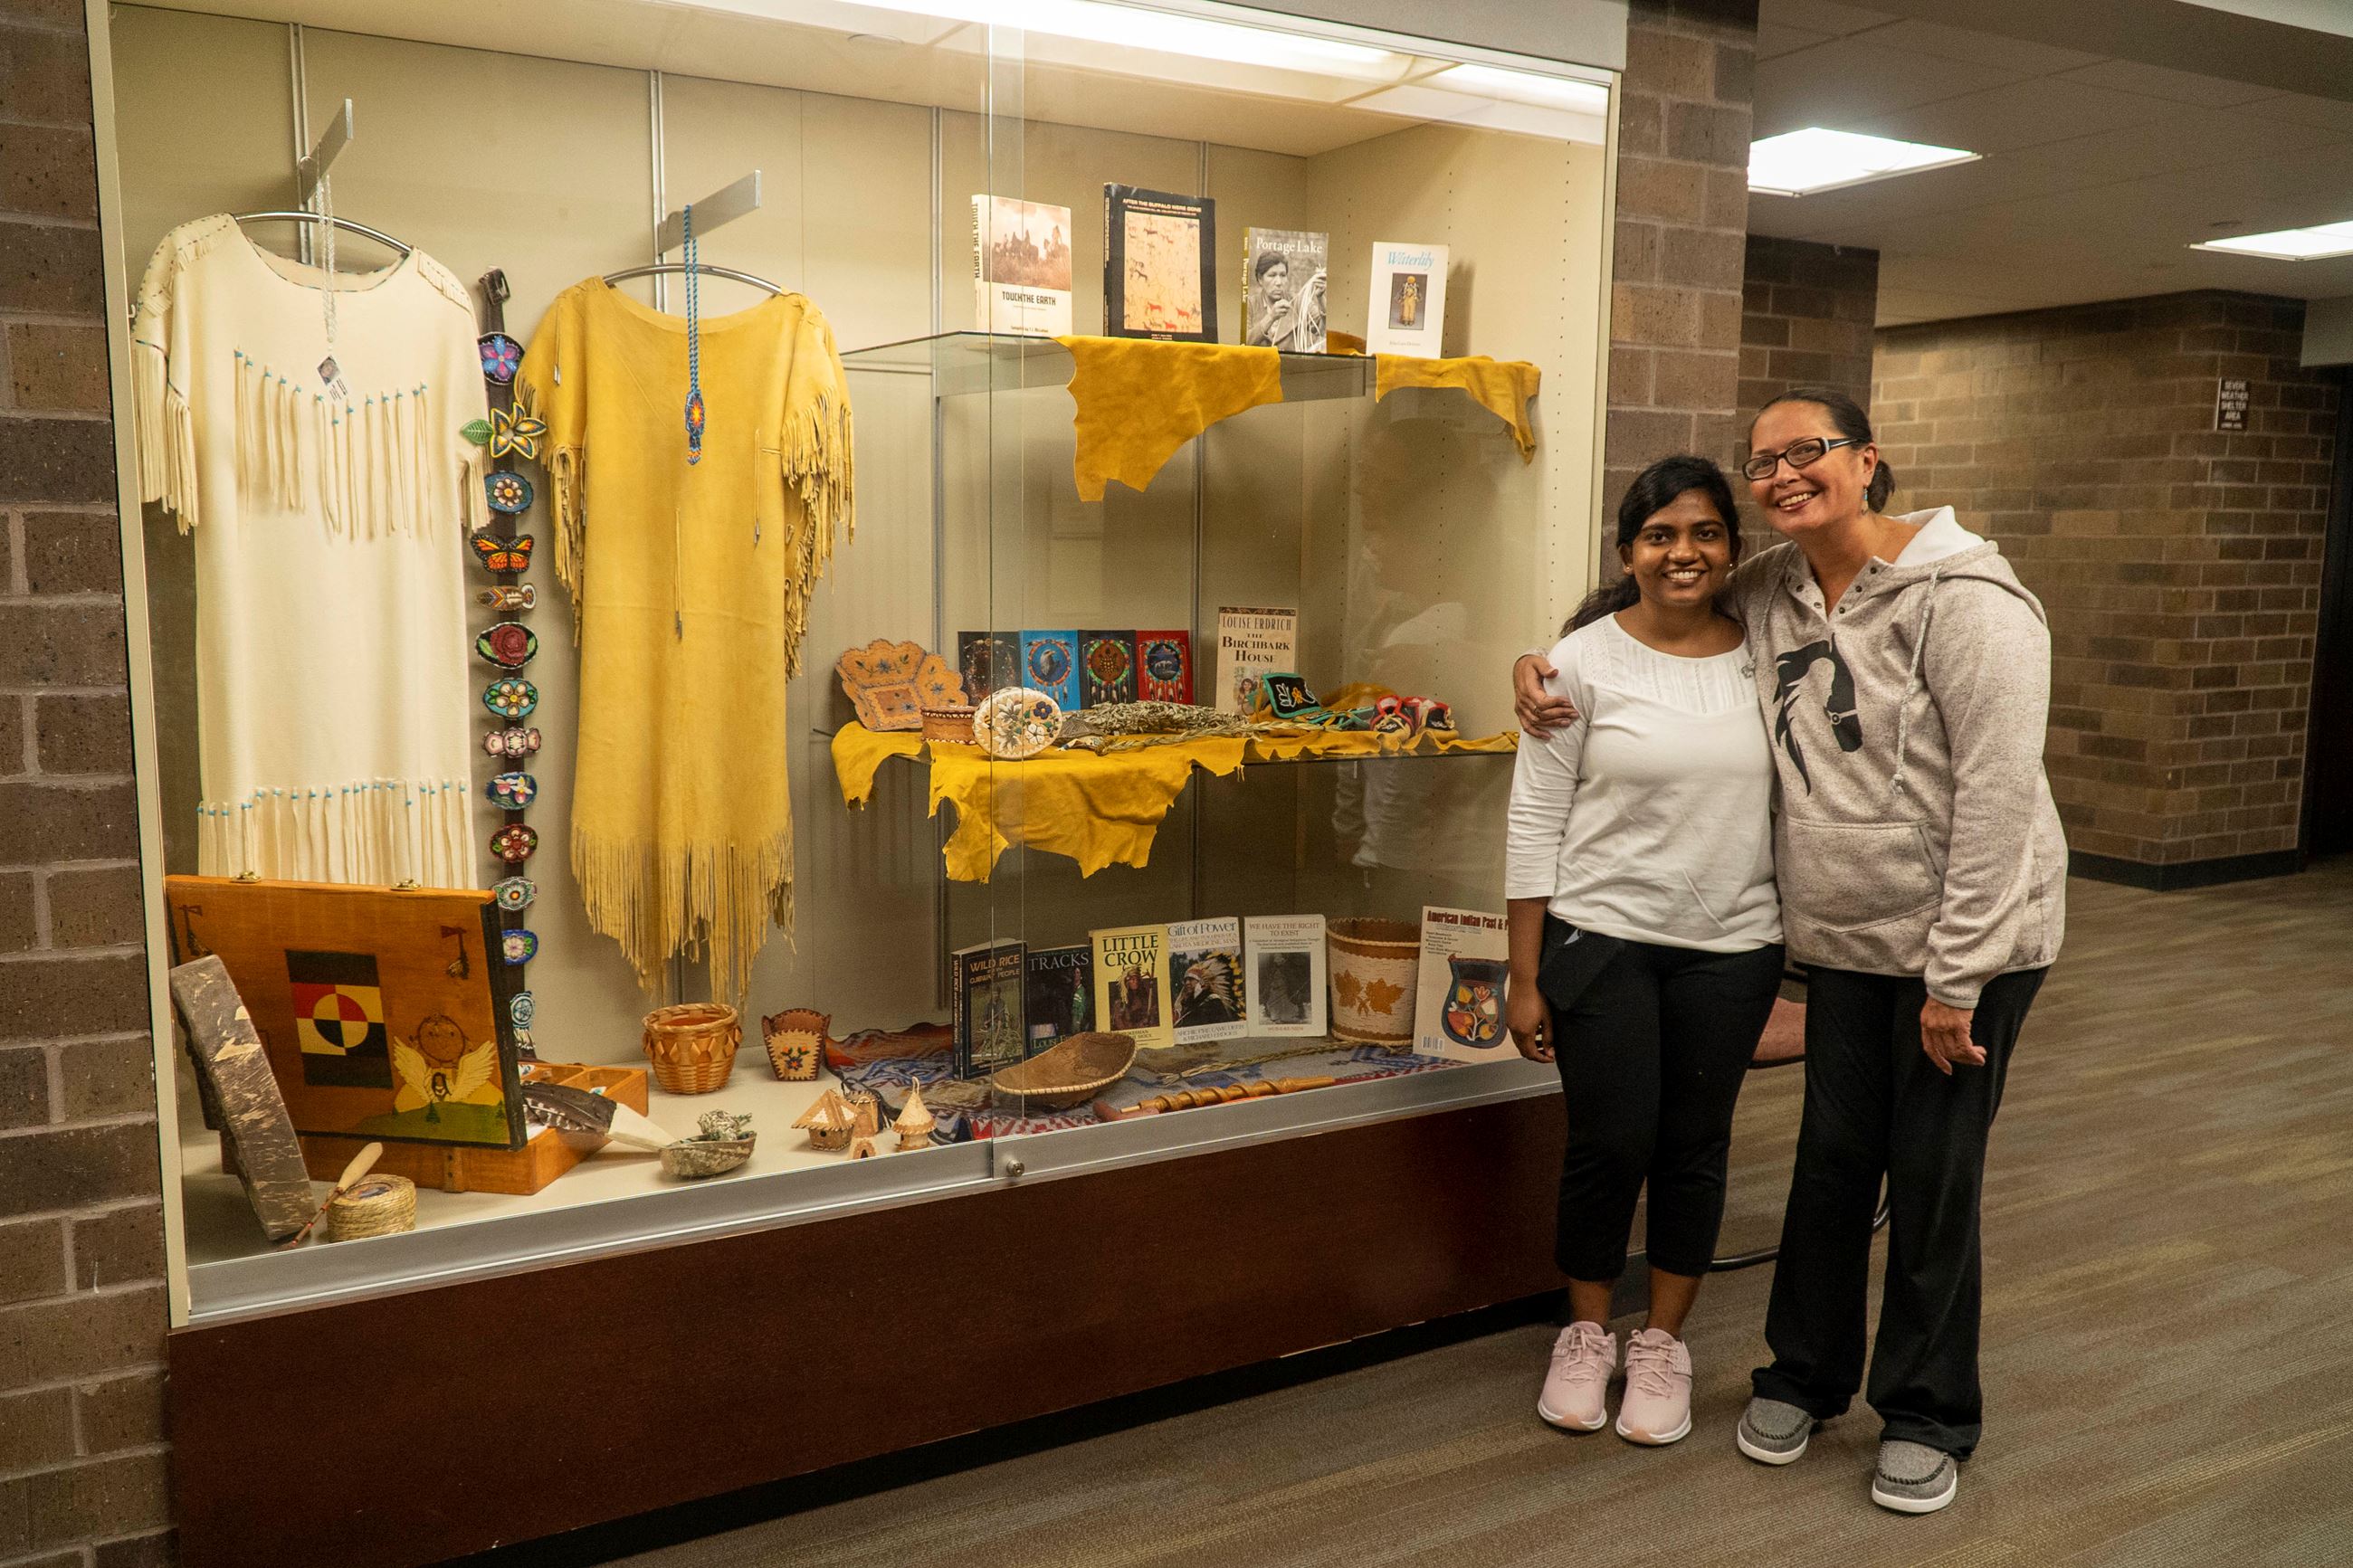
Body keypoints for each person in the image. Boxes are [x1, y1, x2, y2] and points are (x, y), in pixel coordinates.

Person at [1513, 386, 2067, 1515]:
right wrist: (1538, 668)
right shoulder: (1772, 587)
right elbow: (1649, 611)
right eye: (1762, 462)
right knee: (1827, 1166)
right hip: (1844, 945)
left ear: (1867, 461)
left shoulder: (1971, 604)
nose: (1780, 475)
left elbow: (2000, 800)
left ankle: (1923, 1410)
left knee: (1929, 1176)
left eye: (1804, 452)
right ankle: (1803, 1376)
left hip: (1967, 945)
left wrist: (1955, 974)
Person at [1505, 454, 1784, 1449]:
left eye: (1704, 532)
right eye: (1660, 534)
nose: (1682, 551)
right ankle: (1585, 1332)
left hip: (1732, 946)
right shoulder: (1577, 661)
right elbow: (1534, 817)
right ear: (1628, 550)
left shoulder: (1764, 653)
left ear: (1730, 549)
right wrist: (1522, 971)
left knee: (1691, 1148)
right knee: (1607, 1142)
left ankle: (1660, 1344)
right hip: (1598, 940)